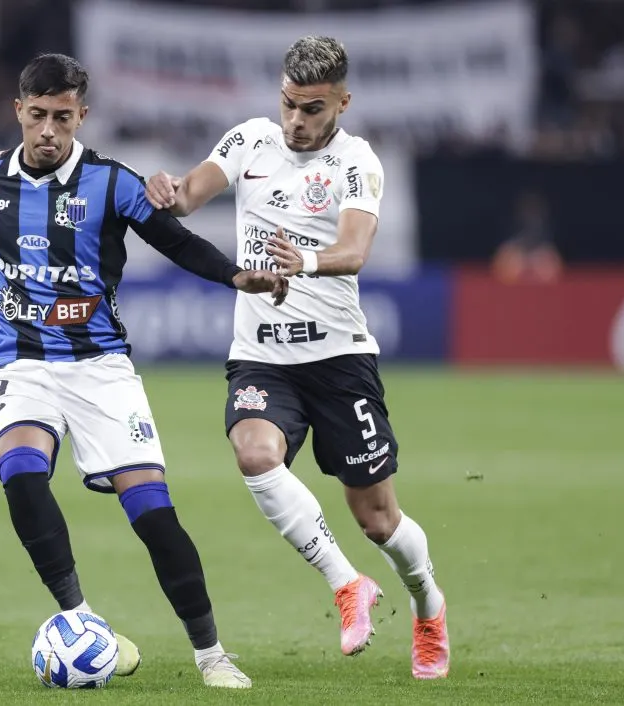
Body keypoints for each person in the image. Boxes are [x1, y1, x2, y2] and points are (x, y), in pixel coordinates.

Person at [0, 53, 288, 689]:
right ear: (18, 111)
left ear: (81, 117)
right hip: (20, 361)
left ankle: (211, 655)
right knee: (23, 475)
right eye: (36, 116)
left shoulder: (113, 183)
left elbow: (177, 243)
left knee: (153, 514)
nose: (47, 131)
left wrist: (237, 276)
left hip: (101, 367)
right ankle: (80, 619)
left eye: (61, 118)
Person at [145, 36, 450, 680]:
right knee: (255, 453)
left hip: (339, 360)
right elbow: (192, 193)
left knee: (377, 519)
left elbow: (355, 248)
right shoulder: (250, 141)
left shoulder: (356, 160)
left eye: (312, 108)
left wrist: (302, 262)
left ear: (342, 101)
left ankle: (428, 607)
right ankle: (347, 586)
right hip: (260, 356)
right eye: (289, 104)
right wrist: (169, 188)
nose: (296, 121)